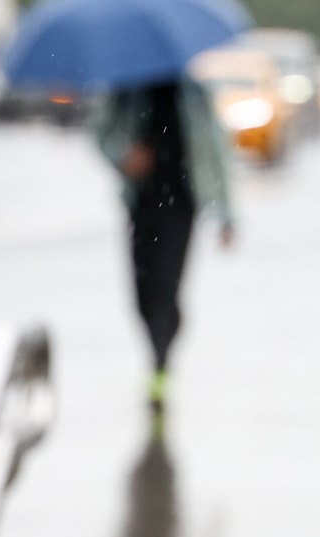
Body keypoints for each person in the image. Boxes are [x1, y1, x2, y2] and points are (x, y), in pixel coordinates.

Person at [95, 78, 234, 410]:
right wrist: (125, 155)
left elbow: (216, 148)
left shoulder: (193, 93)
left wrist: (226, 214)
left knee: (166, 286)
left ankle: (160, 362)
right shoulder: (128, 91)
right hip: (141, 203)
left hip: (181, 204)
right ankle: (158, 350)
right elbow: (101, 133)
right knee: (142, 294)